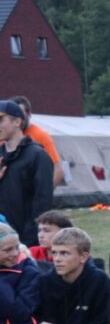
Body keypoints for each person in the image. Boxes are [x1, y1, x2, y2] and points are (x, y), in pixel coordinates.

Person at [0, 99, 53, 245]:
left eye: (1, 120)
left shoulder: (37, 155)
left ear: (17, 122)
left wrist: (29, 237)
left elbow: (43, 201)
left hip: (26, 238)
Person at [11, 96, 63, 187]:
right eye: (14, 115)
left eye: (21, 114)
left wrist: (45, 192)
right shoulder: (5, 135)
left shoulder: (40, 136)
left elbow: (58, 171)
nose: (18, 119)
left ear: (29, 114)